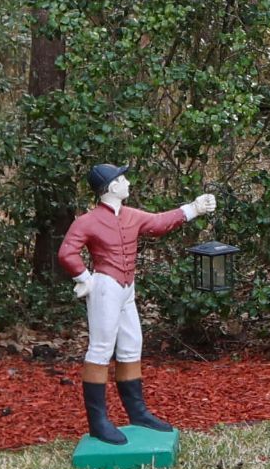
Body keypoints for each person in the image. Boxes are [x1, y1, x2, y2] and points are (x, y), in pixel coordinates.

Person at [59, 165, 215, 446]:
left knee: (132, 344)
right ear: (111, 187)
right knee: (101, 348)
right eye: (122, 179)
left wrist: (193, 208)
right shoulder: (87, 221)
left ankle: (137, 412)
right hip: (105, 285)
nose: (128, 183)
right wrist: (84, 278)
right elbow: (67, 252)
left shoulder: (131, 215)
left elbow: (158, 223)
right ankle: (98, 422)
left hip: (127, 287)